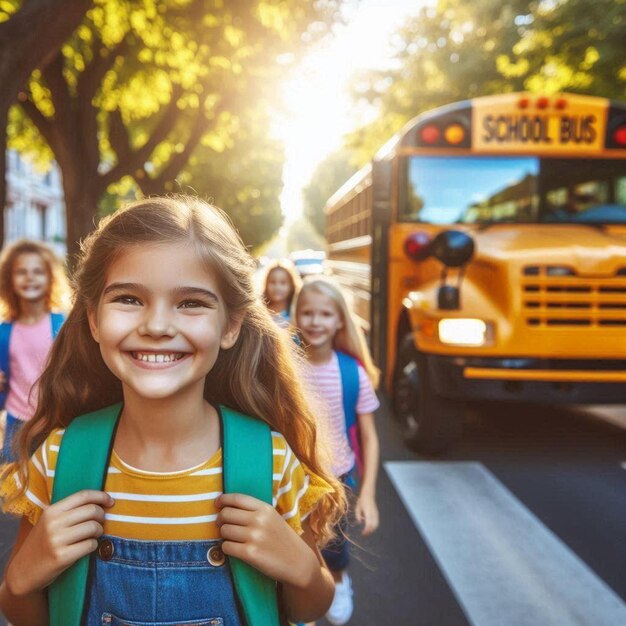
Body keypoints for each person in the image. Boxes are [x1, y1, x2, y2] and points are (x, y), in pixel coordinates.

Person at [0, 196, 346, 625]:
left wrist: (299, 566)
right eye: (128, 299)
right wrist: (22, 575)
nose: (157, 326)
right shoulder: (60, 458)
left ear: (231, 326)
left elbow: (309, 604)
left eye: (191, 303)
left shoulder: (270, 460)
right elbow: (22, 610)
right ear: (93, 319)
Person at [294, 277, 381, 626]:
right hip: (294, 473)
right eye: (308, 313)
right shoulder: (287, 365)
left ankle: (339, 580)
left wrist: (369, 495)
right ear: (296, 316)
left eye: (326, 314)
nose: (316, 321)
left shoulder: (352, 373)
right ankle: (307, 596)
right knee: (300, 542)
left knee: (333, 545)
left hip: (337, 476)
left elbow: (370, 437)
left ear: (340, 321)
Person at [0, 239, 68, 464]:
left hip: (56, 420)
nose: (30, 277)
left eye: (38, 271)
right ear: (10, 280)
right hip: (16, 423)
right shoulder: (4, 331)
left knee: (51, 487)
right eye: (21, 272)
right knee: (11, 490)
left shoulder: (64, 325)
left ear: (50, 278)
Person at [262, 259, 302, 329]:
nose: (277, 287)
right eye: (272, 282)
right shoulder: (261, 311)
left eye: (283, 283)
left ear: (291, 285)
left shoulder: (298, 311)